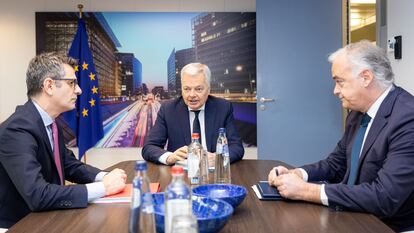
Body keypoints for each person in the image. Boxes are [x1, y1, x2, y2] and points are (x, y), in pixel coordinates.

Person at [267, 40, 414, 232]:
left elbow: (385, 197)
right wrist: (297, 174)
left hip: (389, 225)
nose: (335, 91)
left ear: (366, 78)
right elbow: (336, 164)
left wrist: (306, 190)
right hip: (353, 214)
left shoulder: (407, 118)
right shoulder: (357, 113)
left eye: (340, 82)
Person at [0, 52, 127, 229]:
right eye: (71, 83)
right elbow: (38, 195)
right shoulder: (17, 129)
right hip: (20, 225)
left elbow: (69, 165)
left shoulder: (49, 122)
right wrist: (103, 188)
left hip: (48, 218)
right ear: (49, 86)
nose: (79, 90)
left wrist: (105, 176)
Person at [142, 62, 244, 165]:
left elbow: (236, 147)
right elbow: (149, 147)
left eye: (198, 89)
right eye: (186, 89)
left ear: (208, 90)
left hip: (213, 173)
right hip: (180, 173)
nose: (191, 95)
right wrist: (170, 157)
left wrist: (218, 158)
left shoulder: (223, 107)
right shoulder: (168, 109)